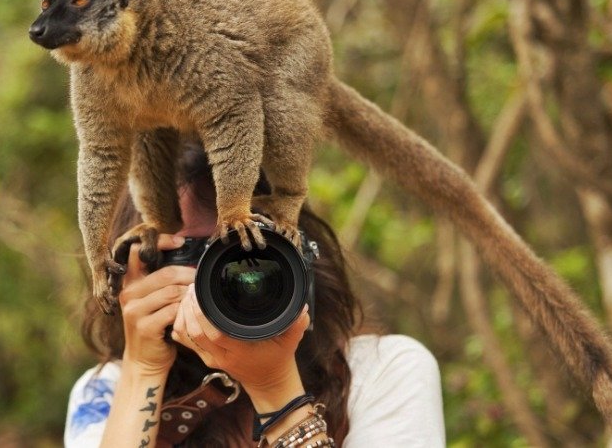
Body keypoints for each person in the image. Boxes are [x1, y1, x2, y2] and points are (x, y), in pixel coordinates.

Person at [65, 145, 445, 447]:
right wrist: (143, 369)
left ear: (298, 251)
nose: (237, 275)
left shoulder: (382, 371)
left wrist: (276, 388)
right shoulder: (107, 392)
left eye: (252, 247)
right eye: (196, 253)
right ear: (136, 269)